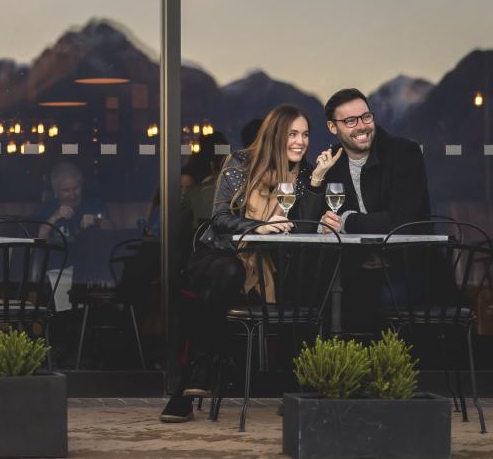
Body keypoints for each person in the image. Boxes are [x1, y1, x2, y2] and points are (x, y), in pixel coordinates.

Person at [160, 104, 338, 422]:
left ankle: (197, 378)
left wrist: (317, 181)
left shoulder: (304, 175)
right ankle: (201, 368)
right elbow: (219, 219)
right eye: (292, 134)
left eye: (305, 134)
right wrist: (256, 227)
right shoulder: (241, 162)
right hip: (222, 255)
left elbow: (305, 227)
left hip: (270, 265)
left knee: (298, 292)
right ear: (274, 136)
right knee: (230, 272)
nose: (300, 141)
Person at [311, 88, 431, 235]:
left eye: (366, 117)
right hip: (352, 256)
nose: (362, 126)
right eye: (350, 121)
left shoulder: (404, 153)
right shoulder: (333, 161)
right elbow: (318, 222)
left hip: (405, 255)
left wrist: (344, 221)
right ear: (332, 127)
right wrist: (316, 180)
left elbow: (400, 223)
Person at [35, 161, 113, 240]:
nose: (72, 195)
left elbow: (112, 230)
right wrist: (54, 217)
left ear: (81, 185)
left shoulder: (94, 204)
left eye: (76, 188)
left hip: (89, 251)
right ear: (56, 191)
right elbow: (38, 239)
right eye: (66, 190)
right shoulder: (46, 208)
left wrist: (96, 221)